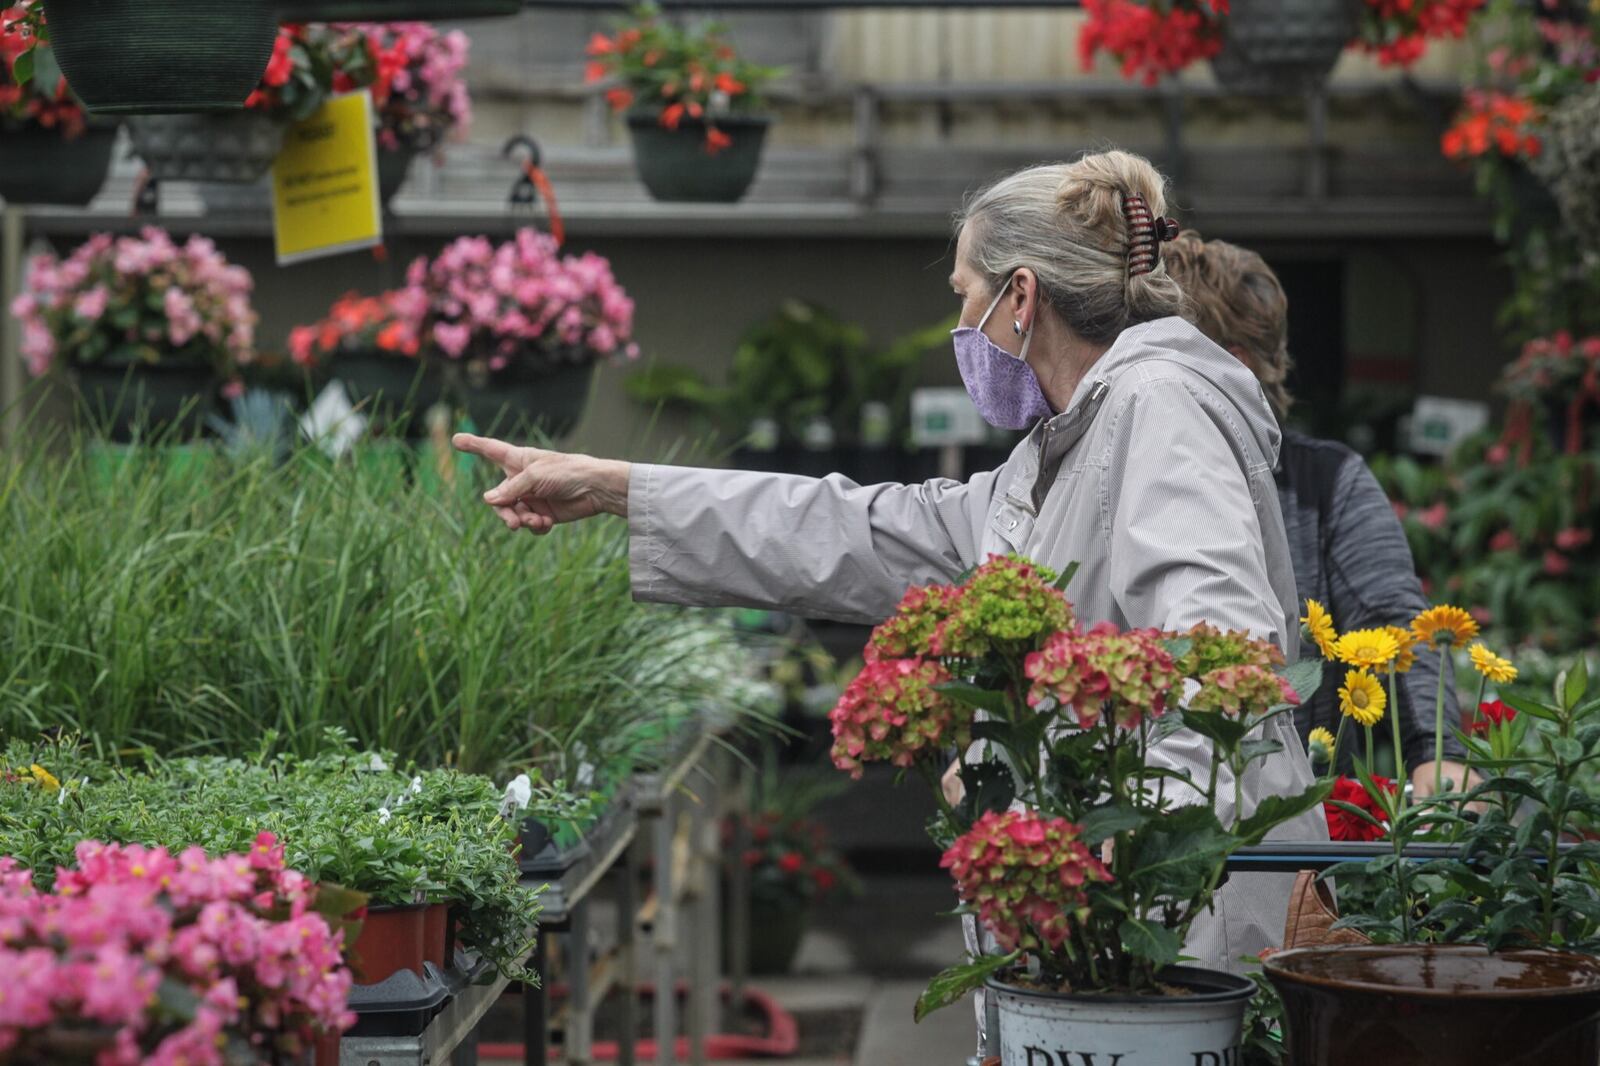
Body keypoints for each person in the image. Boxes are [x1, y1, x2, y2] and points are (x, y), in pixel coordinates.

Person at [455, 148, 1326, 992]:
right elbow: (852, 529)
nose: (961, 327)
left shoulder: (1155, 406)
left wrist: (1130, 849)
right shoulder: (1061, 448)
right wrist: (615, 487)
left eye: (965, 296)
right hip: (1116, 929)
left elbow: (1223, 651)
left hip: (1181, 929)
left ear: (1021, 295)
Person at [1162, 233, 1468, 796]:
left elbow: (1395, 622)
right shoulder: (1120, 478)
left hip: (1292, 835)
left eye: (1161, 355)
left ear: (1231, 368)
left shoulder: (1325, 485)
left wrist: (1436, 755)